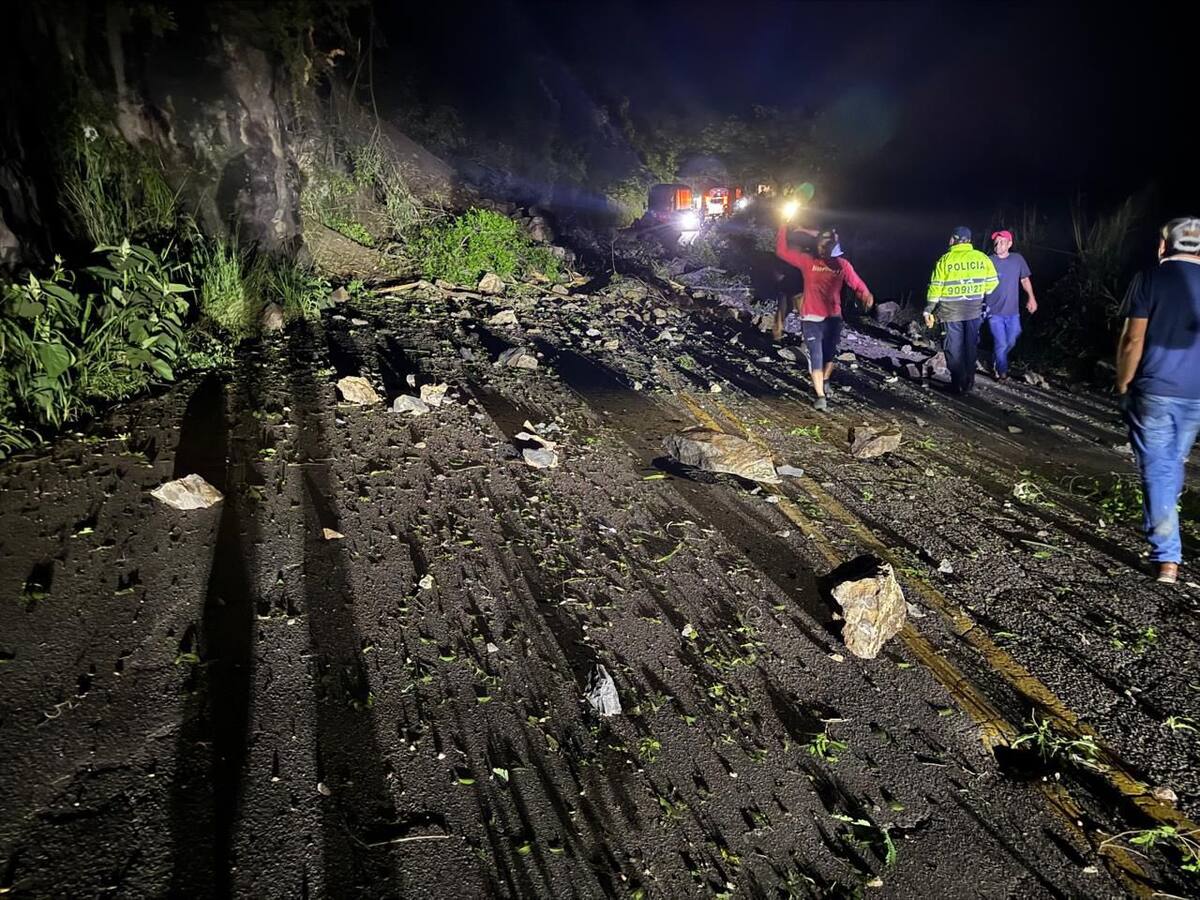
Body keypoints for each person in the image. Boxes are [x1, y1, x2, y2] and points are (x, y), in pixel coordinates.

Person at [1115, 217, 1200, 584]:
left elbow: (1133, 340)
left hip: (1154, 390)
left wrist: (1123, 384)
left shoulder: (1150, 279)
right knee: (1172, 462)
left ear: (1163, 246)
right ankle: (1167, 541)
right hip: (1195, 395)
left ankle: (1167, 557)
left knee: (1160, 469)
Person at [776, 212, 874, 410]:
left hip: (833, 319)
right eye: (820, 244)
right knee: (816, 356)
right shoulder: (808, 261)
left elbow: (857, 284)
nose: (822, 248)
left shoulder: (842, 265)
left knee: (829, 356)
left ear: (833, 247)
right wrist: (782, 226)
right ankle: (820, 395)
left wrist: (866, 295)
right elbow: (782, 252)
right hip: (811, 318)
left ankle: (825, 381)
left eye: (826, 245)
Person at [924, 226, 999, 394]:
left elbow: (936, 287)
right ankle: (968, 382)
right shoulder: (982, 258)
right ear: (969, 240)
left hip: (951, 312)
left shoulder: (945, 260)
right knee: (970, 346)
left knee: (953, 347)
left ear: (954, 239)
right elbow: (993, 283)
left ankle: (957, 382)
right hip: (973, 311)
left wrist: (929, 309)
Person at [984, 229, 1037, 380]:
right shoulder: (988, 261)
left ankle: (996, 359)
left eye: (1002, 242)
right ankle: (1002, 371)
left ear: (1010, 244)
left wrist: (1031, 298)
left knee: (1011, 339)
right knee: (1000, 342)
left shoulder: (1017, 259)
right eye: (996, 241)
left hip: (1012, 312)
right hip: (993, 311)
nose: (998, 244)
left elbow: (1024, 280)